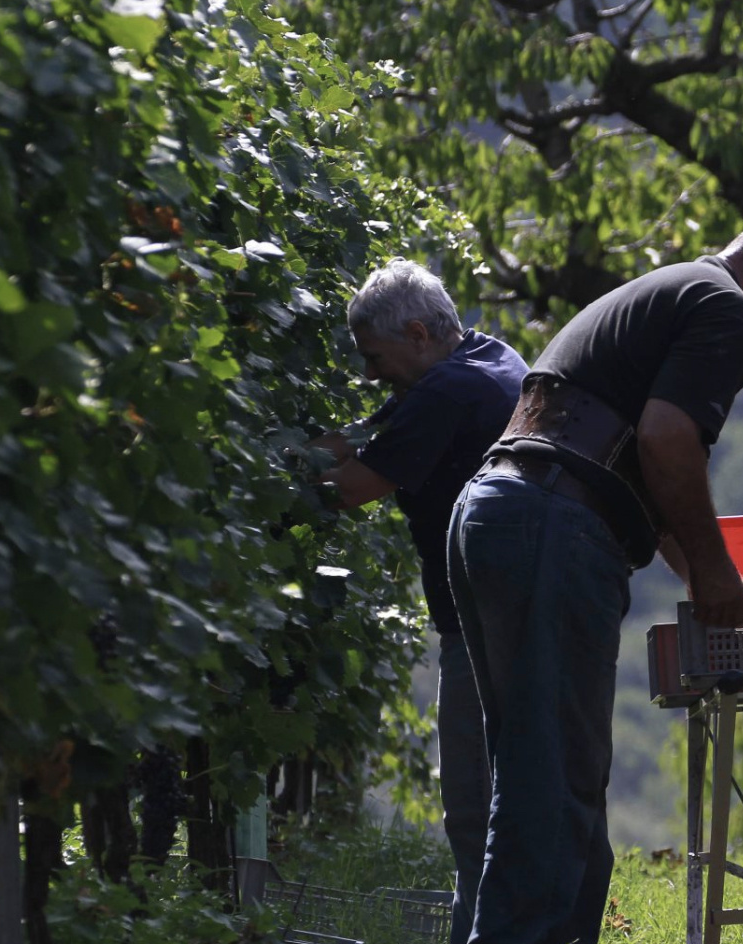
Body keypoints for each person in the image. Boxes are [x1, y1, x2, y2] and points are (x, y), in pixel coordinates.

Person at [446, 204, 743, 944]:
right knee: (552, 784)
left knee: (536, 771)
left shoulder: (672, 288)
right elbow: (671, 444)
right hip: (550, 522)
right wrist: (712, 576)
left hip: (497, 507)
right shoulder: (724, 307)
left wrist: (718, 582)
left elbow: (646, 469)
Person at [307, 259, 528, 944]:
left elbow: (350, 487)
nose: (372, 374)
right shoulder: (490, 357)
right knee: (522, 794)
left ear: (418, 333)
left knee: (471, 805)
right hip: (524, 604)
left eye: (376, 358)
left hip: (481, 622)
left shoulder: (445, 394)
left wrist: (265, 485)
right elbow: (385, 419)